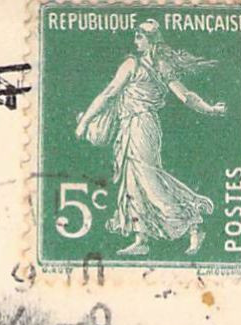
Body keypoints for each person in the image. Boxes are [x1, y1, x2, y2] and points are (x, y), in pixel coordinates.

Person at [75, 20, 226, 256]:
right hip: (129, 126)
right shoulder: (141, 64)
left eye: (140, 36)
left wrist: (210, 109)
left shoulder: (145, 65)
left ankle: (193, 223)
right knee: (132, 181)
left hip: (142, 125)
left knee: (149, 180)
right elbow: (111, 93)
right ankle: (141, 238)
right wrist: (210, 109)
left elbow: (184, 96)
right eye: (135, 35)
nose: (136, 39)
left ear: (151, 39)